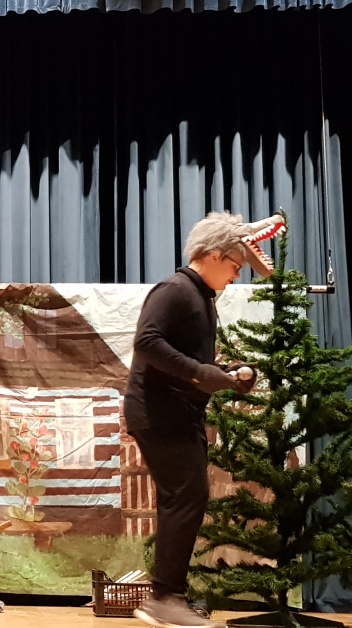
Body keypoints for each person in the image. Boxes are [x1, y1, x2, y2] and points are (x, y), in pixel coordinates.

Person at [125, 211, 261, 628]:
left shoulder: (199, 297)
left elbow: (187, 360)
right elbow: (147, 342)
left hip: (176, 414)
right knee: (185, 498)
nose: (237, 275)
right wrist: (201, 373)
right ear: (215, 255)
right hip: (159, 413)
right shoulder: (176, 289)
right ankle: (165, 598)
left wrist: (229, 372)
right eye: (235, 265)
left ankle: (168, 596)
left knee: (185, 498)